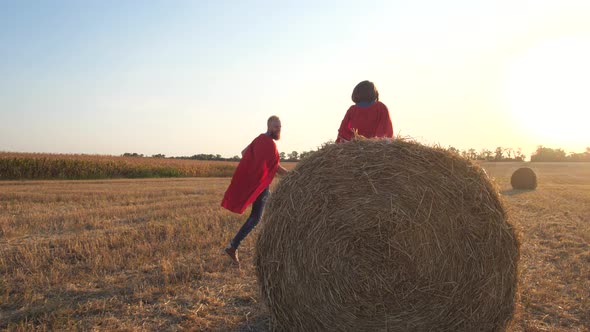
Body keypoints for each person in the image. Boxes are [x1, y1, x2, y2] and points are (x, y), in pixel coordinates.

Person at [221, 115, 288, 265]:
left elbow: (245, 153)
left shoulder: (259, 139)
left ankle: (272, 246)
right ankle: (233, 246)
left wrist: (256, 168)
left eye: (280, 126)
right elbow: (275, 167)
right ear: (269, 126)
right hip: (260, 186)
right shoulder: (268, 143)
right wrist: (290, 175)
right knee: (256, 217)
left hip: (259, 183)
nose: (279, 129)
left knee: (271, 208)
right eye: (276, 126)